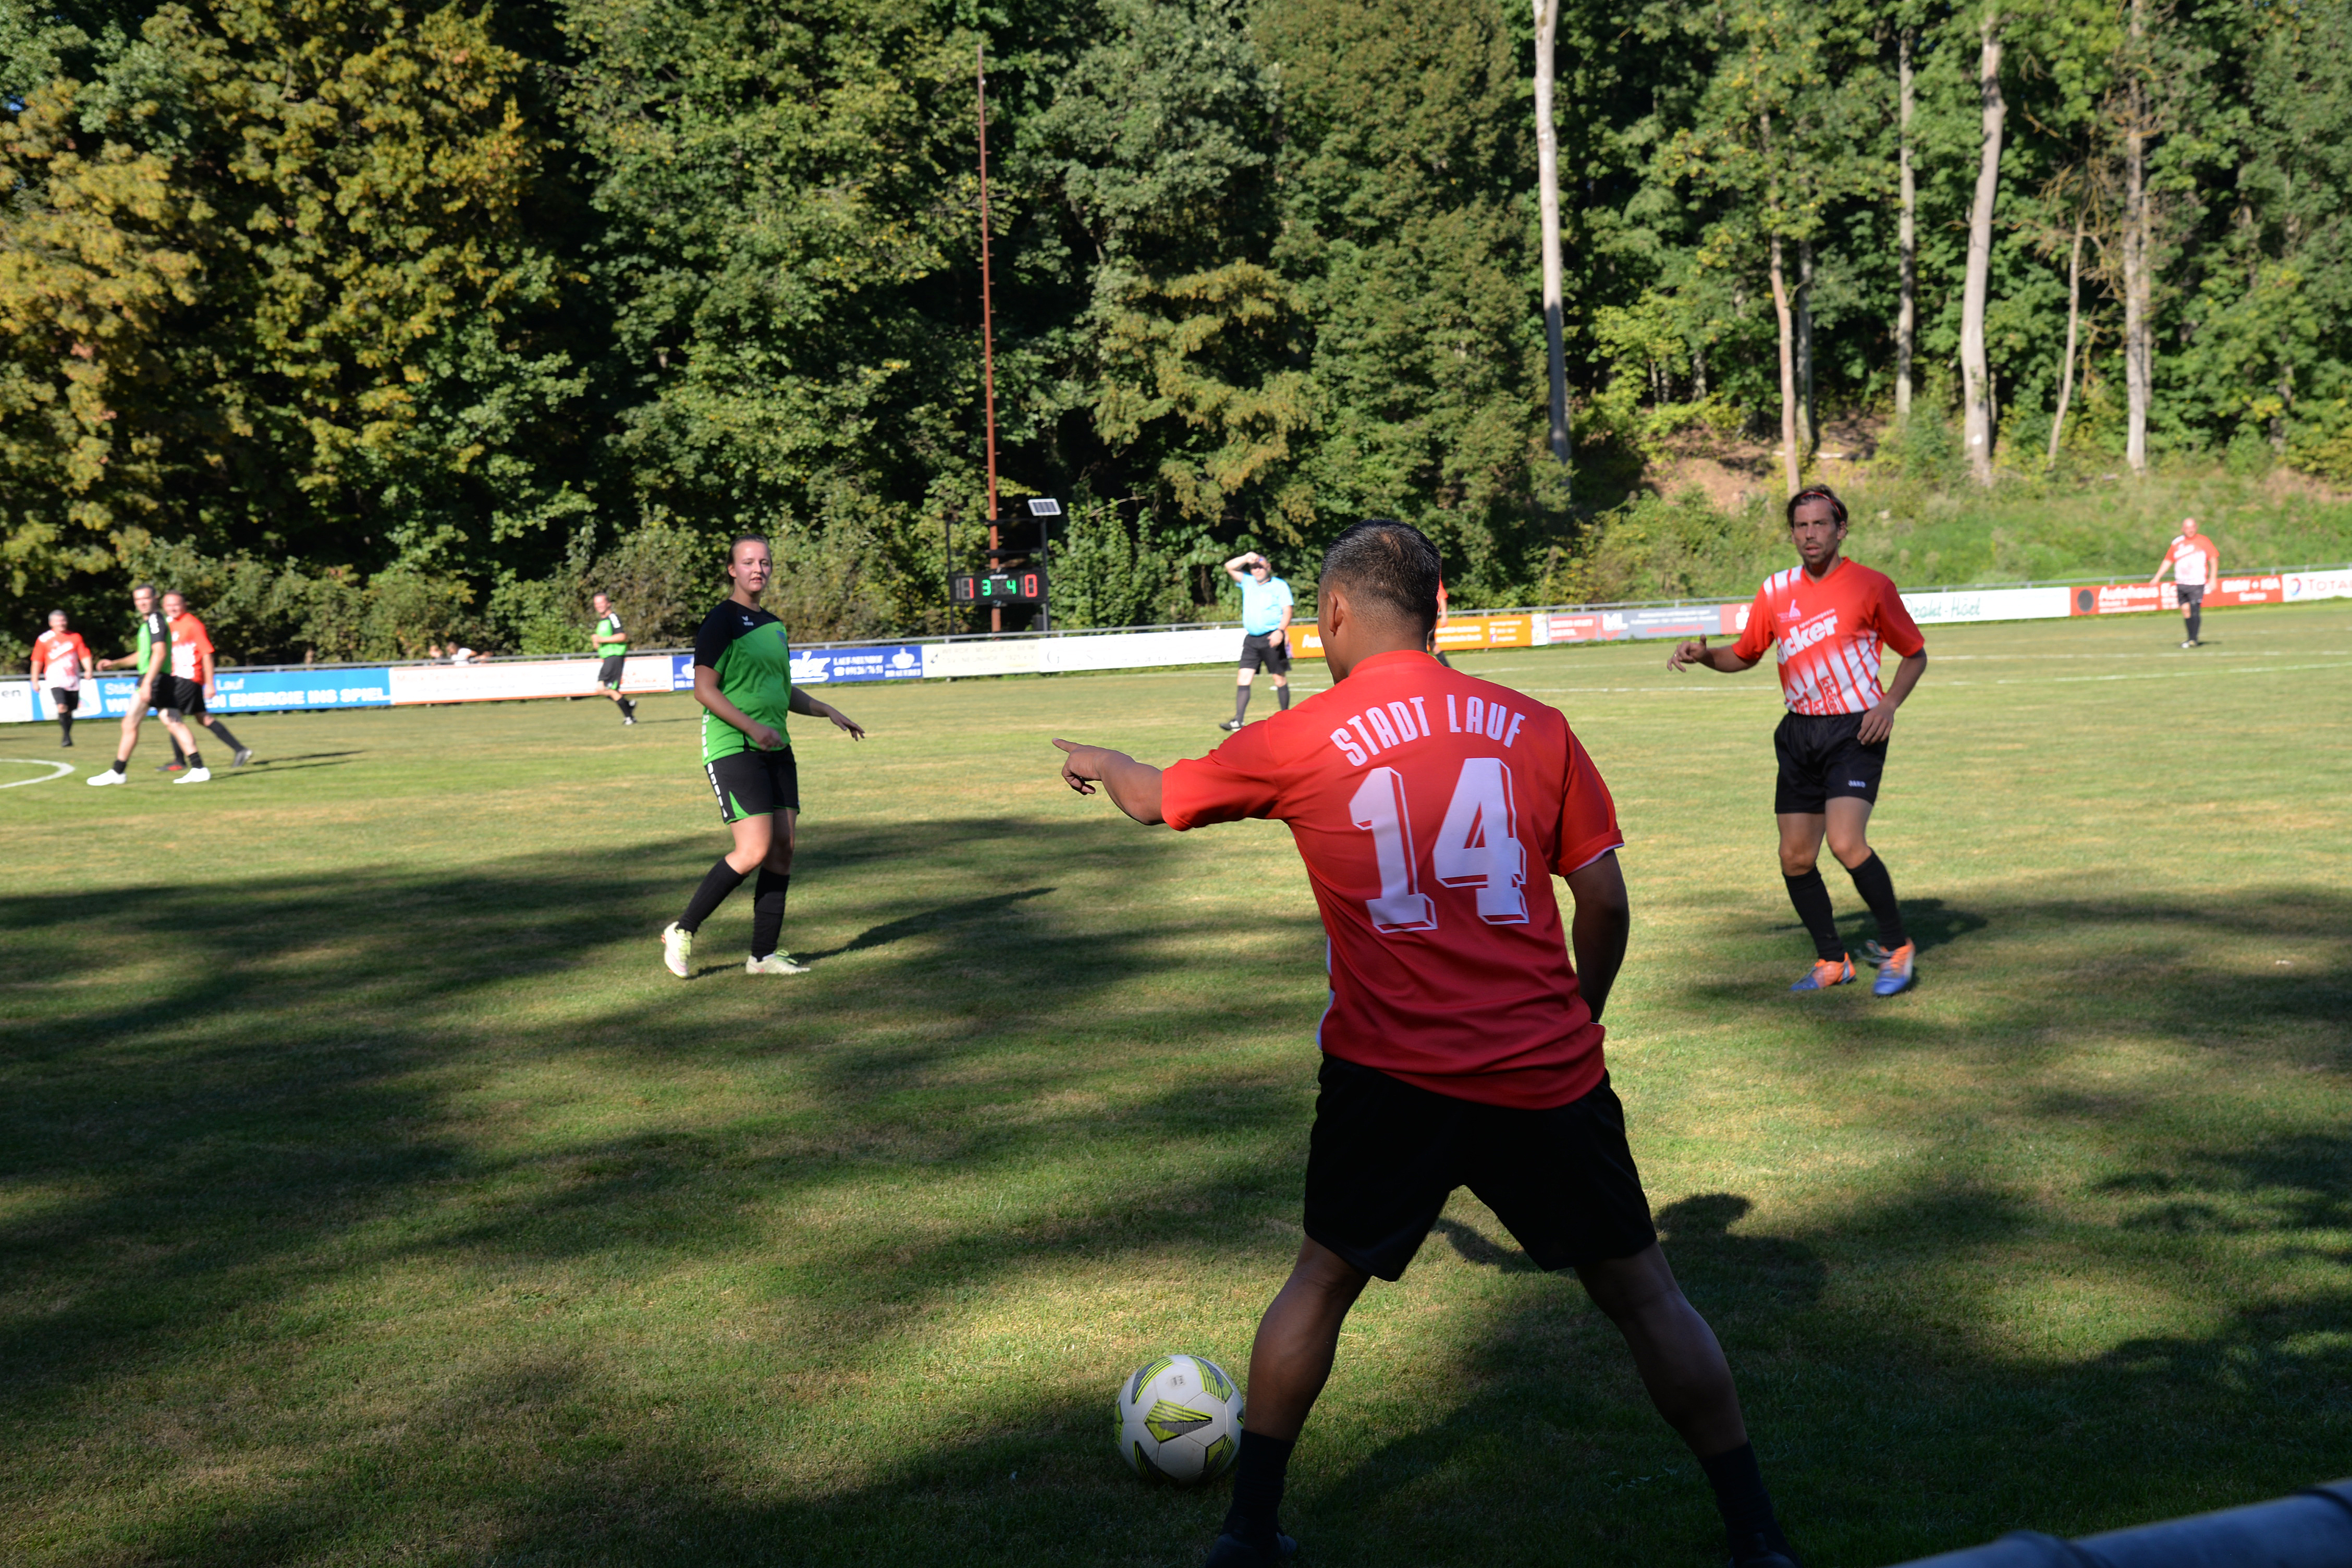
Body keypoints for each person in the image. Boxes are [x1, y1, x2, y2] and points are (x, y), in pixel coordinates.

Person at [1055, 519, 1802, 1568]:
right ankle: (1759, 1539)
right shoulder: (1536, 727)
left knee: (1321, 1281)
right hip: (1544, 1072)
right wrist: (1578, 1015)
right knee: (1645, 1295)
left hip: (1388, 1077)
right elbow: (1605, 900)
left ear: (1333, 614)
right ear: (1442, 602)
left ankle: (1249, 1532)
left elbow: (1157, 798)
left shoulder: (1305, 734)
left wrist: (1102, 759)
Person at [1667, 484, 1928, 997]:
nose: (1810, 534)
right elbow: (1745, 654)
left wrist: (1889, 703)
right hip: (1799, 732)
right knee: (1795, 857)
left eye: (1820, 524)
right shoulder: (1776, 589)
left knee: (1846, 842)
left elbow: (1915, 653)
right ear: (1793, 532)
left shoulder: (1872, 586)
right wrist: (1705, 655)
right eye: (1801, 526)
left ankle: (1897, 945)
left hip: (1856, 728)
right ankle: (1833, 960)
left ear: (1840, 529)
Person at [660, 535, 865, 978]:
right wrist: (751, 727)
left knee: (783, 850)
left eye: (765, 562)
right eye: (748, 562)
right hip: (733, 746)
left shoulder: (774, 625)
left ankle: (763, 956)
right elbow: (704, 689)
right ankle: (682, 928)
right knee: (753, 849)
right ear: (732, 570)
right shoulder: (721, 622)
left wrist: (827, 710)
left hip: (777, 747)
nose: (758, 569)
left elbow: (781, 689)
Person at [85, 584, 205, 787]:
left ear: (155, 599)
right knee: (173, 722)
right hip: (162, 678)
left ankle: (118, 772)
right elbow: (143, 655)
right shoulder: (149, 624)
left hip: (154, 679)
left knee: (130, 723)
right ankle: (199, 768)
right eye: (138, 600)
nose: (142, 603)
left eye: (146, 598)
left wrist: (148, 682)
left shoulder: (155, 621)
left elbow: (160, 653)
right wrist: (115, 663)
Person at [161, 592, 255, 769]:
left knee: (172, 718)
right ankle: (240, 750)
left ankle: (180, 762)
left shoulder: (193, 624)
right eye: (168, 605)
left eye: (176, 604)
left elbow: (207, 654)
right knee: (203, 718)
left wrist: (210, 683)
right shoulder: (169, 624)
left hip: (188, 677)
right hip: (181, 678)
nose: (172, 608)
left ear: (185, 605)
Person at [1220, 550, 1294, 731]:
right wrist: (1247, 558)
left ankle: (1286, 717)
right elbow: (1229, 567)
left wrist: (1280, 631)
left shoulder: (1279, 586)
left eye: (1261, 566)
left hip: (1272, 637)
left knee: (1279, 678)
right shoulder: (1248, 582)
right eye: (1254, 567)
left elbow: (1288, 610)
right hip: (1252, 639)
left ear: (1268, 567)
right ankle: (1238, 720)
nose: (1258, 570)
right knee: (1243, 677)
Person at [2150, 516, 2219, 648]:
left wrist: (2213, 578)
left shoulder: (2203, 541)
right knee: (2185, 610)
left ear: (2196, 527)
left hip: (2197, 582)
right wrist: (2157, 577)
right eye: (2187, 528)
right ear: (2183, 529)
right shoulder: (2177, 543)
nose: (2190, 530)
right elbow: (2168, 560)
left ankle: (2193, 640)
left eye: (2193, 527)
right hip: (2182, 582)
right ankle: (2191, 638)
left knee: (2194, 608)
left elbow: (2213, 559)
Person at [30, 610, 92, 748]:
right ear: (51, 623)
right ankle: (66, 738)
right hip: (55, 679)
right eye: (58, 621)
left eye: (64, 620)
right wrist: (34, 680)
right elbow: (37, 661)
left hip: (73, 678)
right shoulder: (44, 639)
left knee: (70, 709)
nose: (62, 624)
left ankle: (68, 735)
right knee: (62, 706)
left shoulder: (75, 637)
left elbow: (84, 655)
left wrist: (88, 669)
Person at [590, 592, 639, 724]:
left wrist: (601, 639)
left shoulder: (613, 617)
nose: (599, 606)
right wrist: (597, 641)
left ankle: (629, 717)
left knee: (609, 689)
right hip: (607, 658)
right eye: (596, 604)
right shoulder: (602, 621)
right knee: (601, 689)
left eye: (601, 603)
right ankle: (628, 706)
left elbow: (622, 636)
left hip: (615, 656)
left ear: (608, 604)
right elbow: (602, 641)